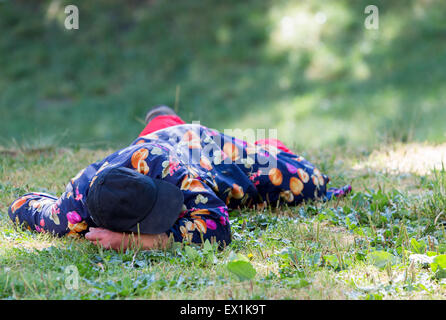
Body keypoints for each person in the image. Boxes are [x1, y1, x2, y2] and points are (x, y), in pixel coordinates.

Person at [8, 106, 351, 251]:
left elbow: (218, 225)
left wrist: (135, 242)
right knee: (158, 135)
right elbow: (20, 206)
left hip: (200, 149)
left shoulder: (175, 176)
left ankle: (259, 147)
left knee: (312, 184)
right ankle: (162, 120)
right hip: (151, 147)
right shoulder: (73, 210)